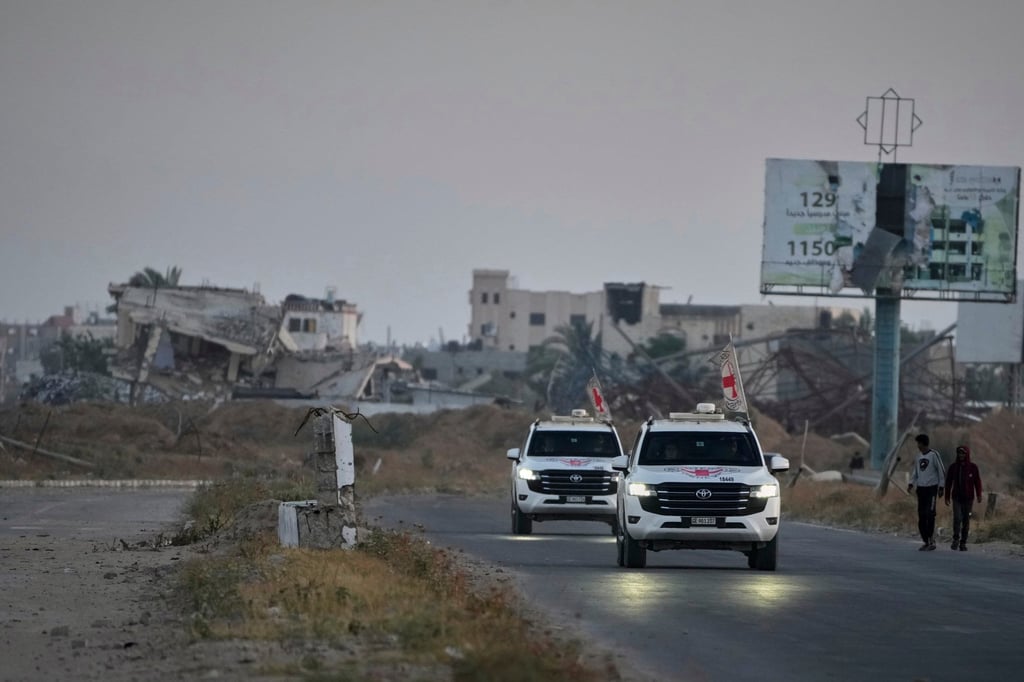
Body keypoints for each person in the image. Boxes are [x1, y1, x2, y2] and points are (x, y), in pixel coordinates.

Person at [907, 433, 945, 551]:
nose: (917, 445)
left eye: (918, 443)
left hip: (931, 489)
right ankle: (925, 541)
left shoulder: (934, 455)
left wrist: (941, 487)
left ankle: (932, 540)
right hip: (921, 489)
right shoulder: (918, 457)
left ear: (923, 443)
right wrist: (911, 483)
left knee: (930, 514)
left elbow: (941, 471)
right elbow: (915, 472)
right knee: (922, 516)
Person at [944, 445, 983, 551]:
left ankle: (963, 542)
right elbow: (948, 482)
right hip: (956, 497)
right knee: (957, 518)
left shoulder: (973, 467)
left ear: (967, 454)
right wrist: (946, 496)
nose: (961, 455)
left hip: (968, 498)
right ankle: (955, 539)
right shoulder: (953, 467)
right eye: (959, 453)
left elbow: (977, 482)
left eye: (963, 453)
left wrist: (979, 494)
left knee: (966, 520)